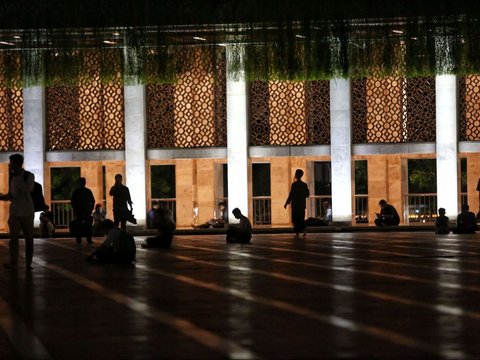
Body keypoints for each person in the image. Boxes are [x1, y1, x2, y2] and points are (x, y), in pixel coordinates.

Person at [0, 154, 35, 271]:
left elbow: (28, 190)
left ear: (17, 164)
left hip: (27, 213)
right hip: (15, 212)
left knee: (29, 239)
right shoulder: (11, 177)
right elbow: (11, 195)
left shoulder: (28, 176)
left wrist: (19, 176)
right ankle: (13, 262)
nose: (9, 165)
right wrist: (3, 197)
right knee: (13, 240)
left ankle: (28, 264)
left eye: (11, 163)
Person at [284, 169, 310, 240]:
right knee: (301, 218)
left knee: (295, 219)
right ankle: (304, 231)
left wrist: (287, 203)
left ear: (296, 175)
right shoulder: (304, 185)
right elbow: (307, 195)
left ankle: (297, 234)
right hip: (301, 205)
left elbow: (291, 195)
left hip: (295, 205)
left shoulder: (294, 184)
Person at [71, 177, 95, 244]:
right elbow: (92, 201)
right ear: (84, 183)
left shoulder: (76, 191)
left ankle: (79, 239)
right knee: (88, 226)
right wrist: (91, 208)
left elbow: (73, 201)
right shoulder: (88, 191)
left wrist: (75, 209)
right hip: (86, 211)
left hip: (79, 211)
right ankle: (89, 239)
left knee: (79, 225)